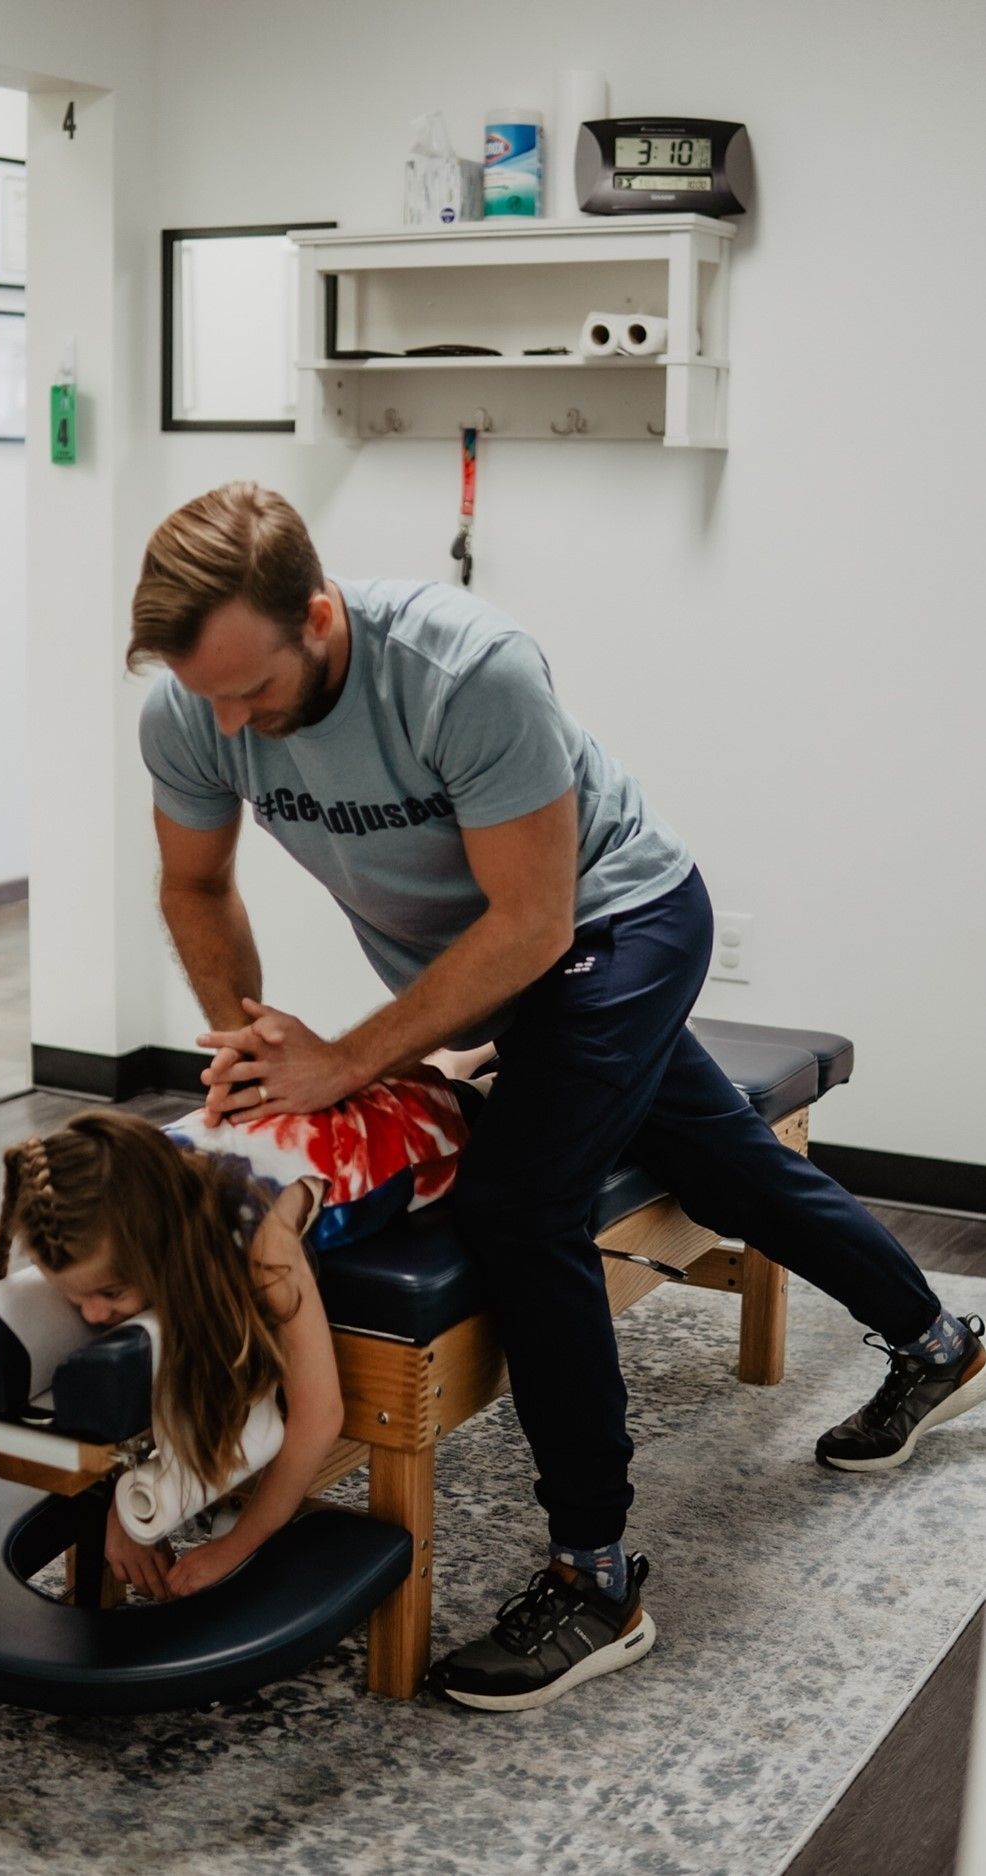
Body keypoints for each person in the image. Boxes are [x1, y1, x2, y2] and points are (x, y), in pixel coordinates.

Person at [128, 480, 986, 1712]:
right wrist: (247, 1042)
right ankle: (937, 1341)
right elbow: (197, 888)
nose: (233, 725)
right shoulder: (193, 709)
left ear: (316, 617)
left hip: (617, 922)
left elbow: (532, 926)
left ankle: (595, 1577)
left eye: (253, 691)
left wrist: (351, 1058)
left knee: (520, 1200)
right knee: (719, 1162)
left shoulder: (463, 668)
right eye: (206, 696)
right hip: (493, 960)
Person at [0, 1072, 473, 1598]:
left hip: (420, 1137)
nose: (94, 1314)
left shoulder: (261, 1245)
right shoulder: (136, 1182)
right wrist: (117, 1513)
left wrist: (238, 1543)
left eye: (110, 1291)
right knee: (436, 1069)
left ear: (160, 1247)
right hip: (325, 1110)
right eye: (75, 1296)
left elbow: (319, 1416)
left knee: (468, 1095)